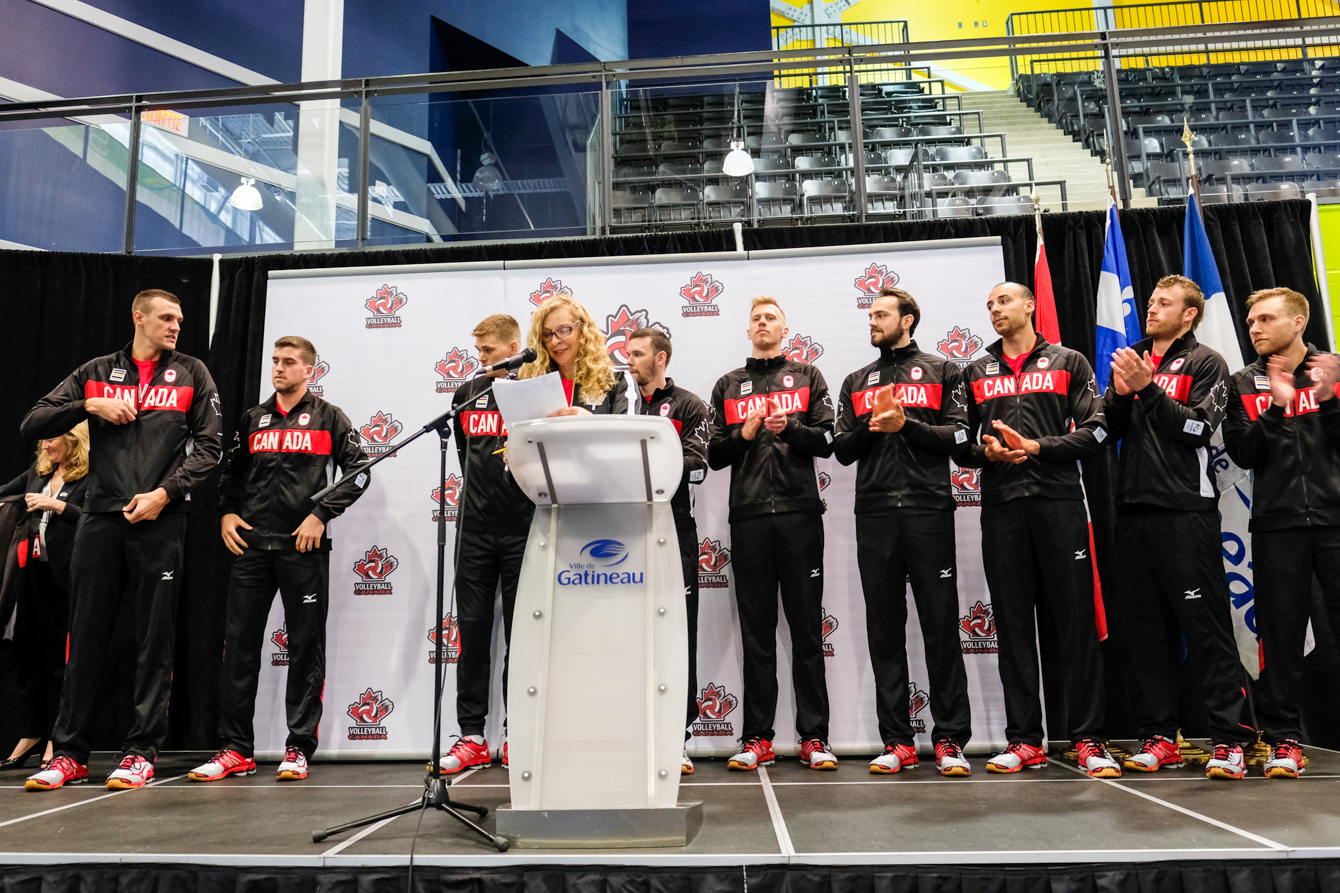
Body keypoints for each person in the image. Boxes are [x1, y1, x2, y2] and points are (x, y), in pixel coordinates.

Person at [21, 288, 222, 791]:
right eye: (167, 318)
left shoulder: (192, 371)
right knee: (84, 637)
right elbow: (32, 422)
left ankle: (140, 752)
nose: (176, 326)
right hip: (99, 518)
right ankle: (69, 754)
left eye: (180, 319)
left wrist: (165, 493)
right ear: (139, 317)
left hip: (160, 519)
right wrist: (88, 405)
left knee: (154, 640)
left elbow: (211, 447)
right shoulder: (96, 371)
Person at [189, 336, 370, 784]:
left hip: (302, 550)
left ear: (310, 370)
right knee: (239, 650)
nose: (279, 368)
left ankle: (297, 748)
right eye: (275, 361)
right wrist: (227, 513)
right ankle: (235, 749)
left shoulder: (330, 417)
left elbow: (361, 469)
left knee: (306, 649)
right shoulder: (254, 418)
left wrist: (319, 514)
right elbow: (229, 473)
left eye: (289, 362)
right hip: (251, 549)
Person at [961, 282, 1121, 778]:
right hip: (1002, 508)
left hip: (1059, 505)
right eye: (989, 305)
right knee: (1011, 626)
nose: (995, 310)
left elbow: (1097, 430)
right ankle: (1024, 739)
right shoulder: (975, 369)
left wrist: (1037, 448)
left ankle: (1089, 739)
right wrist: (983, 453)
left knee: (1074, 624)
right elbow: (960, 441)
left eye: (1003, 301)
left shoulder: (1069, 361)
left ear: (1030, 305)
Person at [1104, 274, 1253, 780]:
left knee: (1205, 629)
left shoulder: (1207, 361)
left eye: (1163, 303)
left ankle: (1230, 740)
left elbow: (1196, 429)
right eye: (1150, 301)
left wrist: (1147, 390)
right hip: (1132, 511)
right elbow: (1110, 430)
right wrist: (1124, 396)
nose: (1151, 308)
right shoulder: (1132, 357)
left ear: (1189, 313)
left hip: (1186, 511)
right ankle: (1159, 737)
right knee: (1146, 634)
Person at [833, 287, 974, 777]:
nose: (872, 321)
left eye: (881, 314)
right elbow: (842, 450)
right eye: (870, 314)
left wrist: (906, 425)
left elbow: (960, 439)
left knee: (940, 626)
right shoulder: (856, 379)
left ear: (908, 320)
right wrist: (876, 425)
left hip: (928, 510)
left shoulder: (944, 370)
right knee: (885, 632)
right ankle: (897, 740)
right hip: (873, 514)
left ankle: (951, 739)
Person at [708, 296, 838, 771]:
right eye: (756, 319)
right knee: (757, 633)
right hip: (748, 518)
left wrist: (793, 429)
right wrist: (743, 435)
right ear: (748, 332)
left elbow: (830, 441)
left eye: (771, 319)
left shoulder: (808, 377)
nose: (763, 324)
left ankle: (814, 738)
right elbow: (712, 456)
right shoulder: (728, 384)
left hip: (800, 515)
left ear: (785, 329)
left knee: (807, 630)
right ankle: (757, 737)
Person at [1224, 286, 1340, 779]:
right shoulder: (1241, 382)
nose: (1255, 328)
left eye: (1266, 319)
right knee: (1282, 638)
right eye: (1251, 321)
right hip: (1276, 526)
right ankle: (1285, 742)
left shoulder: (1334, 369)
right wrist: (1274, 407)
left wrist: (1329, 402)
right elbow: (1243, 454)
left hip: (1336, 523)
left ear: (1297, 323)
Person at [434, 314, 534, 774]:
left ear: (514, 346)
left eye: (489, 352)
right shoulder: (466, 393)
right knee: (471, 634)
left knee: (523, 636)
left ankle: (519, 733)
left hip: (524, 528)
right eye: (479, 353)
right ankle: (471, 735)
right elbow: (464, 456)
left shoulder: (535, 387)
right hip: (473, 530)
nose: (482, 359)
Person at [625, 326, 710, 776]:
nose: (630, 360)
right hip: (621, 533)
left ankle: (678, 737)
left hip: (674, 530)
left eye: (638, 353)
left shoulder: (689, 405)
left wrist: (643, 460)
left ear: (661, 359)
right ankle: (632, 733)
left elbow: (697, 463)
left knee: (679, 635)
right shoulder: (617, 404)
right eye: (627, 352)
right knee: (629, 637)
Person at [0, 423, 90, 772]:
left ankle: (58, 736)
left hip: (68, 579)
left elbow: (95, 518)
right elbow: (5, 493)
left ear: (73, 440)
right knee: (27, 656)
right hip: (31, 575)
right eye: (43, 439)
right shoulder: (37, 474)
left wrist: (56, 505)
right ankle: (31, 733)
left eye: (52, 438)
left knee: (60, 662)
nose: (45, 445)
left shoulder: (90, 478)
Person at [519, 294, 629, 415]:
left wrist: (589, 423)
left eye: (563, 330)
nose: (555, 341)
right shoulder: (533, 384)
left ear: (583, 331)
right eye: (546, 334)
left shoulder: (618, 381)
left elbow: (627, 431)